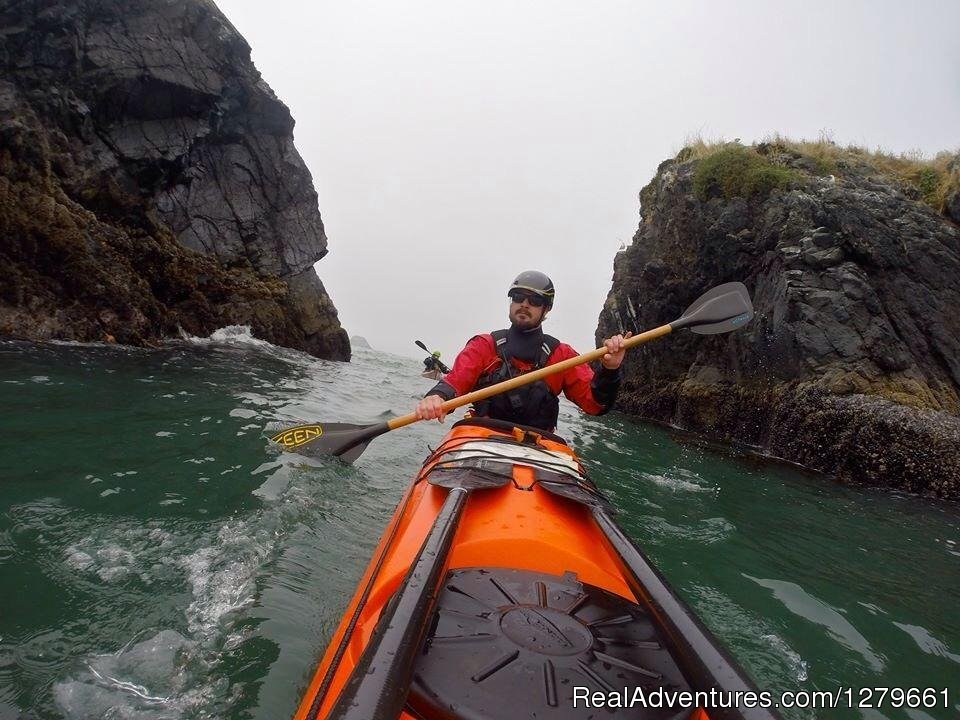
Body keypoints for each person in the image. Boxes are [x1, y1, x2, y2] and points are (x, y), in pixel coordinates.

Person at [414, 270, 631, 433]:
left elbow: (595, 405)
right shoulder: (484, 345)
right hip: (482, 435)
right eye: (518, 297)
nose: (524, 304)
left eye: (535, 300)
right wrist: (436, 396)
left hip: (537, 444)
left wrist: (610, 370)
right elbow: (456, 381)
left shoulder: (561, 355)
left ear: (546, 309)